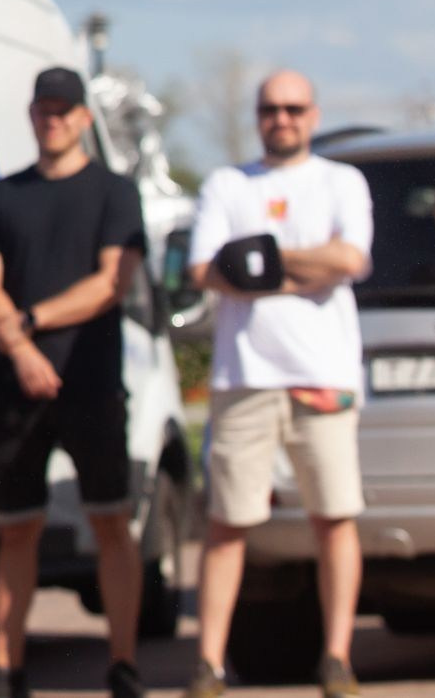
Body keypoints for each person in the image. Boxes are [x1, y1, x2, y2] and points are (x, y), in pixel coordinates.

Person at [182, 70, 372, 698]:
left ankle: (338, 657)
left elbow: (350, 260)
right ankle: (209, 664)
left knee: (334, 518)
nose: (282, 119)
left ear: (313, 115)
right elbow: (207, 269)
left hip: (323, 377)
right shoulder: (228, 183)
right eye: (271, 108)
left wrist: (261, 260)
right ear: (259, 115)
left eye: (293, 108)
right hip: (246, 377)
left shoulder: (340, 181)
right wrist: (304, 263)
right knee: (228, 524)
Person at [0, 67, 145, 698]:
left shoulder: (114, 194)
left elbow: (110, 283)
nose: (53, 119)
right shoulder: (0, 197)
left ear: (83, 120)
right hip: (13, 385)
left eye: (64, 110)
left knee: (110, 521)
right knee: (16, 527)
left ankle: (122, 665)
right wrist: (19, 349)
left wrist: (32, 320)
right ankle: (8, 668)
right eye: (44, 109)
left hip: (91, 381)